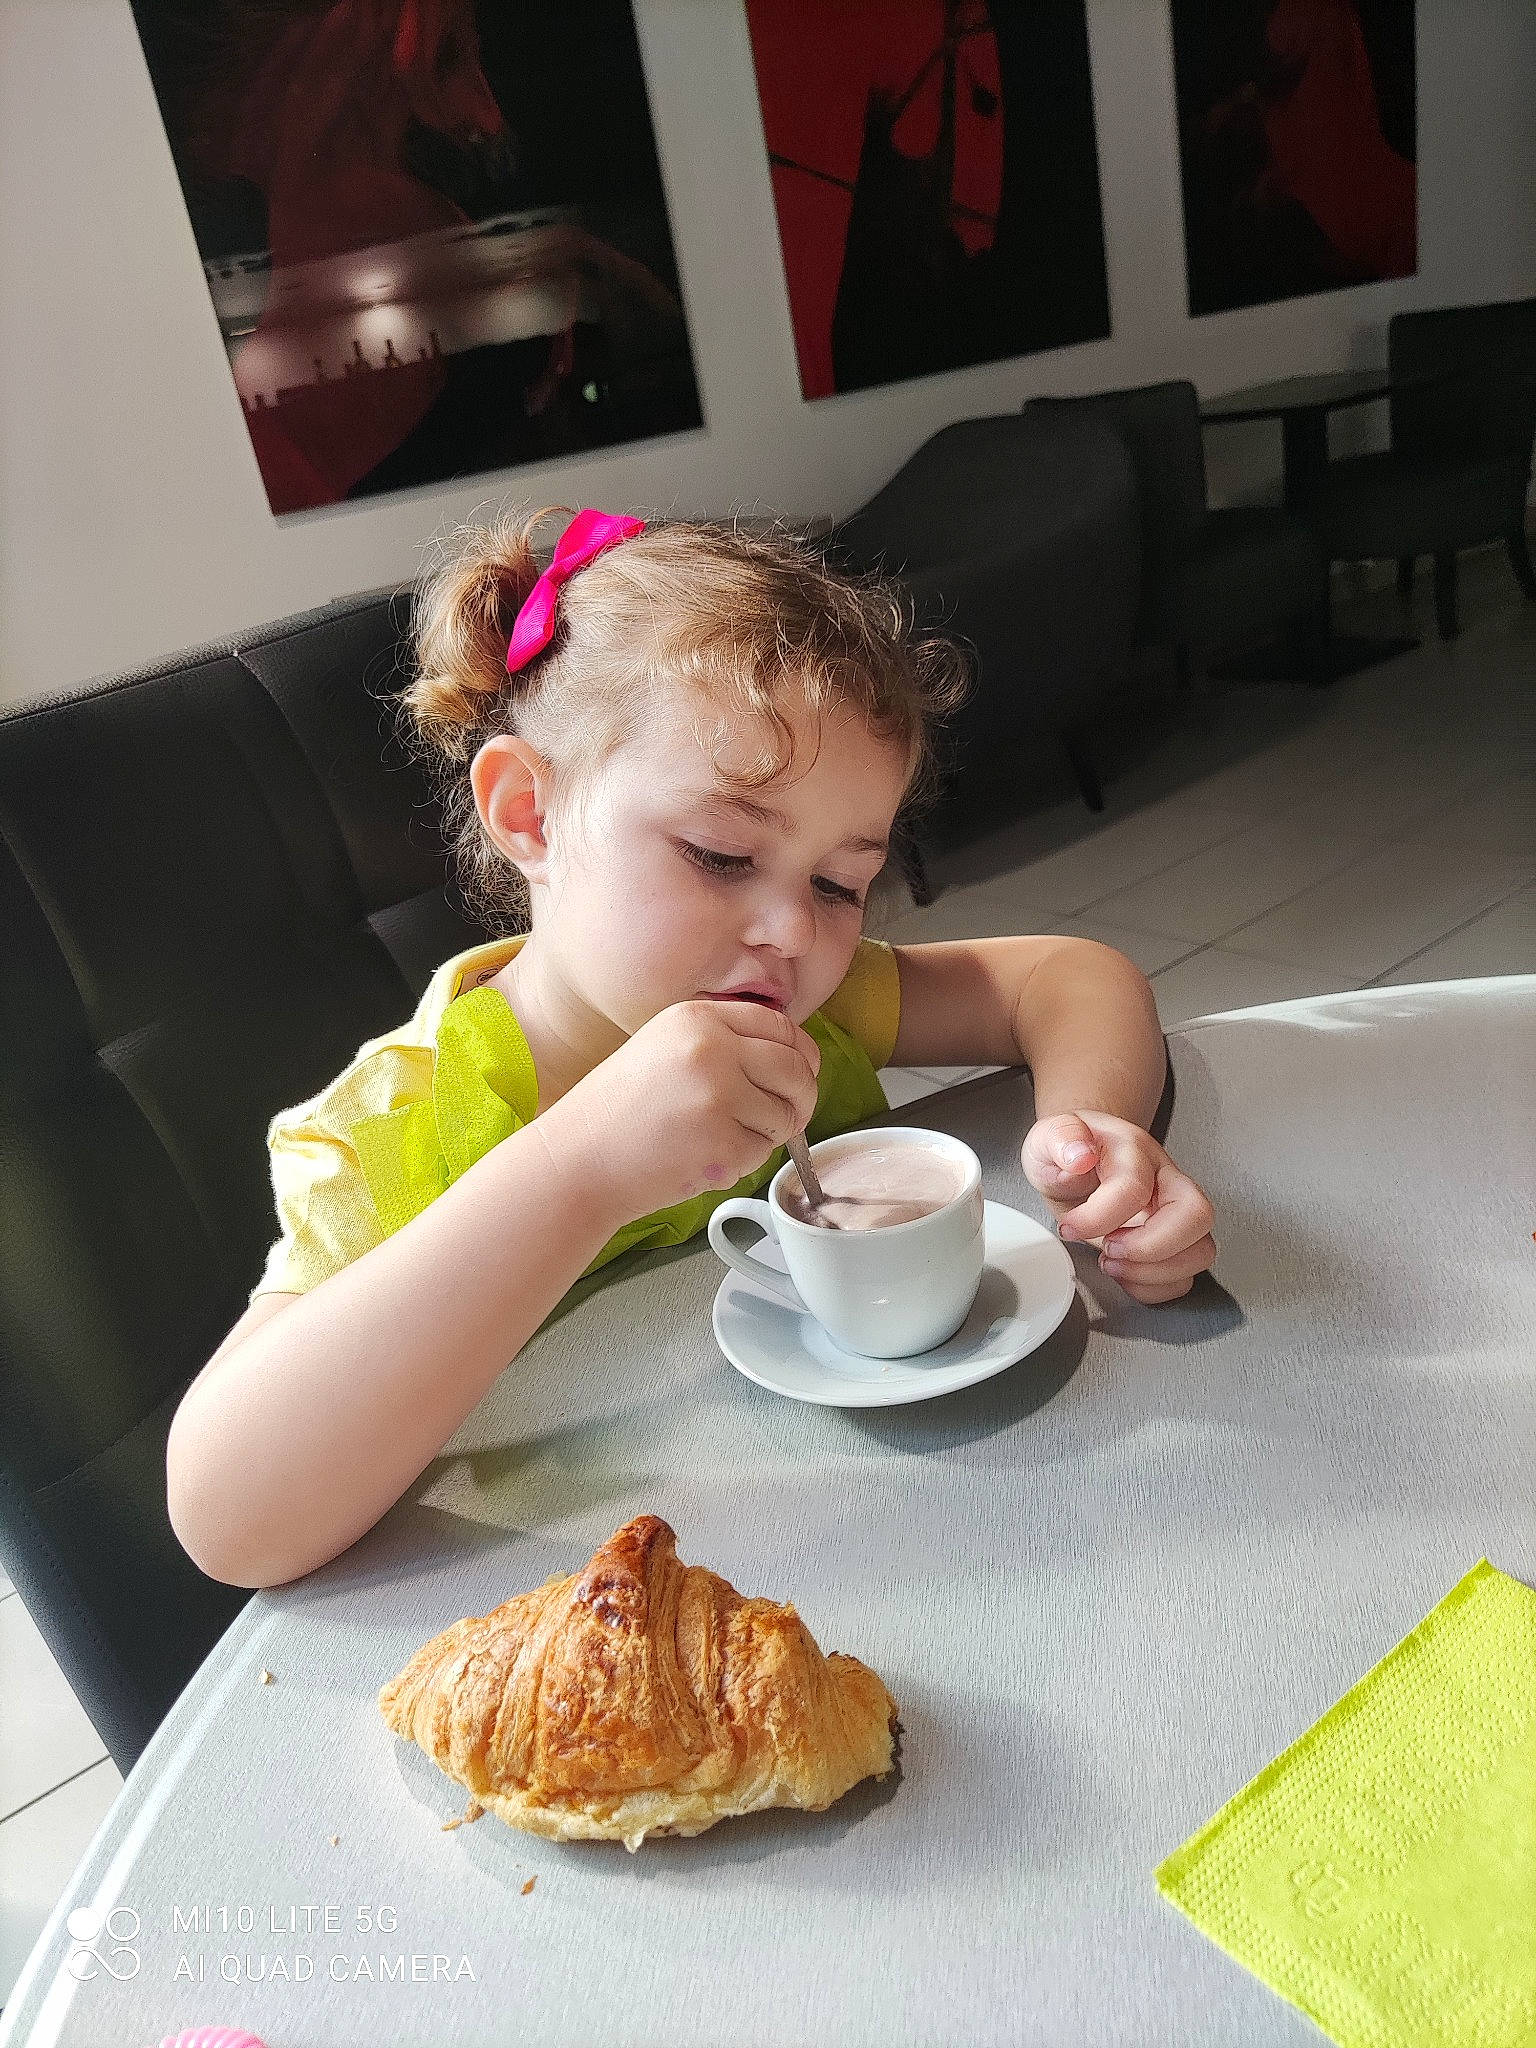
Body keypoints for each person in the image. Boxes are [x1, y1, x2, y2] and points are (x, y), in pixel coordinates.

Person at [167, 507, 1216, 1589]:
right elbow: (230, 1518)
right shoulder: (399, 1126)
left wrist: (1091, 1134)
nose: (794, 932)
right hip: (586, 1606)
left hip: (905, 1536)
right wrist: (579, 1170)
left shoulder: (810, 1007)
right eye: (720, 854)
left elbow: (1071, 978)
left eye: (839, 883)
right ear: (529, 814)